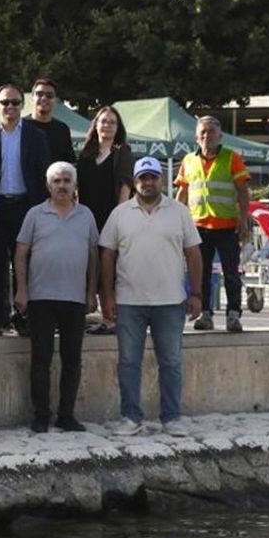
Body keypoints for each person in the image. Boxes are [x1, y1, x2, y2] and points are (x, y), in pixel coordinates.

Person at [100, 157, 202, 437]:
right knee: (128, 363)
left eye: (153, 177)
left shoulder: (179, 212)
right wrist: (107, 295)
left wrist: (196, 293)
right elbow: (107, 255)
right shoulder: (119, 214)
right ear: (135, 182)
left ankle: (172, 417)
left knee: (171, 363)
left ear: (161, 180)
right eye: (143, 178)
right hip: (129, 301)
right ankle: (130, 417)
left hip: (170, 301)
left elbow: (194, 254)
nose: (148, 182)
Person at [14, 162, 98, 433]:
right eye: (57, 181)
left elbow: (93, 256)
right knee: (41, 359)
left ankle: (66, 415)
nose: (62, 186)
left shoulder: (86, 215)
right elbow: (20, 254)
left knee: (72, 359)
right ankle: (41, 415)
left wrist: (91, 292)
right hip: (41, 297)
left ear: (75, 186)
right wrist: (22, 289)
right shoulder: (34, 214)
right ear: (48, 186)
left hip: (74, 298)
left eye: (66, 181)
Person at [0, 84, 50, 336]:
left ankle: (26, 317)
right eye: (5, 102)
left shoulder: (35, 136)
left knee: (27, 264)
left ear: (22, 104)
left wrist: (40, 209)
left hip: (26, 206)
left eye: (15, 102)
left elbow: (43, 174)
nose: (10, 107)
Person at [175, 116, 251, 333]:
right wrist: (176, 220)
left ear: (220, 136)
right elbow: (182, 193)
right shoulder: (188, 160)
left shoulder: (231, 158)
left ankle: (233, 314)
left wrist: (243, 219)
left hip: (227, 227)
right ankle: (205, 313)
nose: (207, 136)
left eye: (211, 131)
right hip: (198, 227)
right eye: (203, 132)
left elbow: (243, 191)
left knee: (231, 273)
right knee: (201, 273)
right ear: (196, 137)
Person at [76, 105, 135, 335]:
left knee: (112, 269)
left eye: (112, 122)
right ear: (96, 125)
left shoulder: (123, 152)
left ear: (118, 127)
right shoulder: (86, 154)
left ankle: (113, 319)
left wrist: (118, 217)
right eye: (103, 121)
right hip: (88, 218)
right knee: (94, 268)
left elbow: (126, 185)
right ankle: (101, 316)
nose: (107, 125)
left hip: (113, 217)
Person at [27, 78, 76, 165]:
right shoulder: (21, 126)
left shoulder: (62, 129)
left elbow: (69, 162)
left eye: (49, 95)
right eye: (39, 94)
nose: (44, 98)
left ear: (55, 100)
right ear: (32, 98)